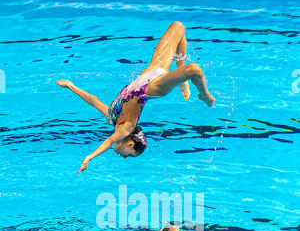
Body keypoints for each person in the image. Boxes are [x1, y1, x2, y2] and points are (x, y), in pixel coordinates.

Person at [55, 22, 215, 173]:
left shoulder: (113, 119)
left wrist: (71, 86)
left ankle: (182, 79)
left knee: (178, 27)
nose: (125, 157)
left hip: (149, 73)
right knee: (192, 66)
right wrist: (90, 157)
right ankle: (206, 97)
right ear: (130, 143)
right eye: (130, 154)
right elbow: (109, 141)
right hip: (153, 88)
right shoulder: (127, 128)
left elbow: (93, 101)